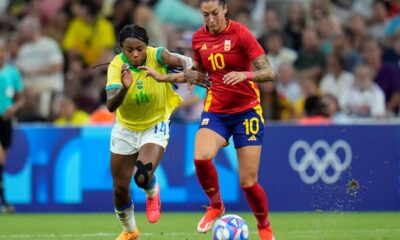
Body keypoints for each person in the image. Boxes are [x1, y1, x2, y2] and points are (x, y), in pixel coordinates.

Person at [185, 0, 276, 239]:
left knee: (248, 182)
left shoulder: (241, 34)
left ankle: (264, 225)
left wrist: (245, 74)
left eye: (215, 13)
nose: (210, 20)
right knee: (200, 158)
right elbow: (199, 70)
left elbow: (269, 72)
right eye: (205, 15)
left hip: (246, 112)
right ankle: (216, 206)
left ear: (225, 9)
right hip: (216, 111)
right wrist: (193, 75)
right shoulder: (197, 39)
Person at [105, 24, 206, 240]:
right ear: (122, 48)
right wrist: (124, 88)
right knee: (120, 189)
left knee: (141, 178)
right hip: (125, 129)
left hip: (155, 125)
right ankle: (130, 230)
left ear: (147, 46)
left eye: (139, 48)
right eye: (129, 49)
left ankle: (153, 192)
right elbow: (111, 106)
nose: (135, 54)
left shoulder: (157, 55)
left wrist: (188, 69)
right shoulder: (116, 66)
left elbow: (181, 60)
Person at [0, 39, 24, 213]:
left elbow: (21, 98)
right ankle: (5, 201)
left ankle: (4, 202)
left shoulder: (12, 73)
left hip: (6, 120)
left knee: (2, 161)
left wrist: (13, 108)